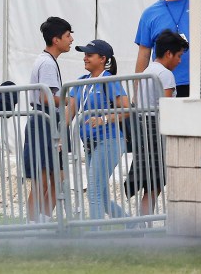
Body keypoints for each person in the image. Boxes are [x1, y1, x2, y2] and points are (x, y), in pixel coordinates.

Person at [128, 30, 188, 220]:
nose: (179, 61)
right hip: (157, 129)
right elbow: (167, 105)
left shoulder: (147, 71)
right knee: (155, 183)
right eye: (179, 56)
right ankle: (146, 224)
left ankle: (143, 223)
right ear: (169, 53)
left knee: (150, 183)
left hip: (143, 126)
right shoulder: (166, 75)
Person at [67, 39, 130, 221]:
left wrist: (103, 119)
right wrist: (59, 136)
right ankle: (133, 226)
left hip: (109, 141)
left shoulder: (108, 80)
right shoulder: (81, 81)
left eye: (89, 55)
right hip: (90, 144)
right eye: (84, 54)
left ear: (103, 59)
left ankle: (96, 236)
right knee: (99, 195)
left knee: (93, 191)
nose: (85, 58)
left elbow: (127, 109)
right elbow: (69, 111)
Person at [23, 17, 73, 223]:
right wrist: (69, 99)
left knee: (58, 179)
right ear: (55, 39)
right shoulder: (46, 63)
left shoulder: (48, 61)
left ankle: (41, 222)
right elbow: (45, 97)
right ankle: (32, 226)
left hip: (50, 122)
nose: (71, 40)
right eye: (68, 35)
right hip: (43, 123)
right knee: (42, 179)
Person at [135, 0, 191, 97]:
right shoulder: (149, 14)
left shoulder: (200, 5)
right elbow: (144, 54)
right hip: (163, 85)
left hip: (196, 84)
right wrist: (137, 93)